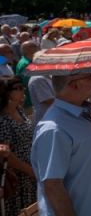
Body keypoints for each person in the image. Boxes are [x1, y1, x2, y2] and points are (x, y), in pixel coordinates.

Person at [31, 73, 91, 215]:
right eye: (90, 76)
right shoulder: (54, 128)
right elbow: (54, 187)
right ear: (74, 84)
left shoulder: (88, 114)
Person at [0, 78, 37, 216]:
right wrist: (29, 170)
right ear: (8, 93)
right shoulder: (3, 120)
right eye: (19, 88)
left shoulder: (20, 111)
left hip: (31, 175)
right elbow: (6, 155)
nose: (23, 90)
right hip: (19, 178)